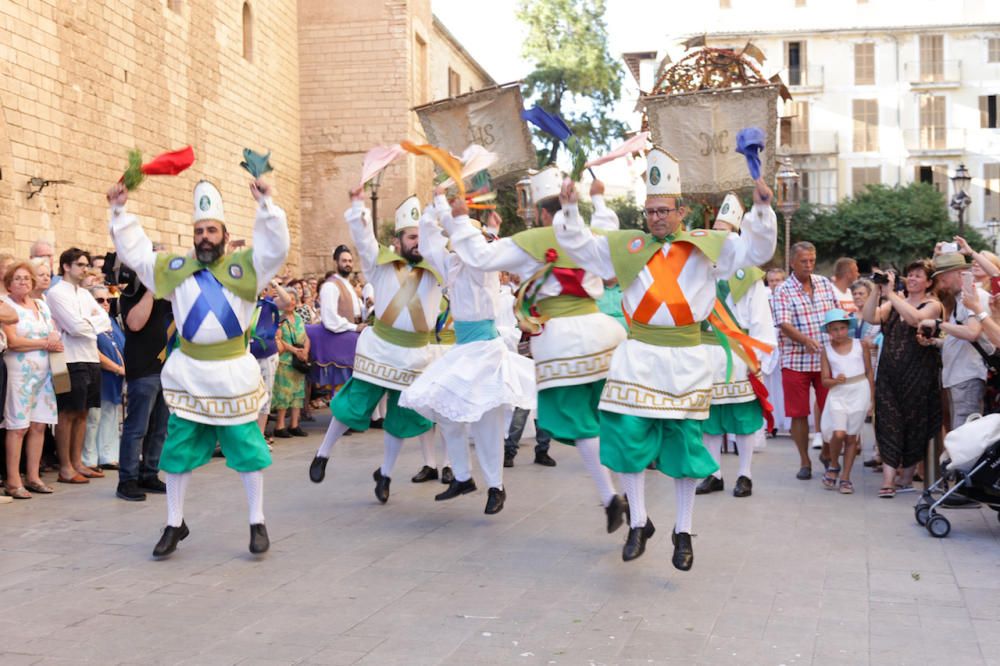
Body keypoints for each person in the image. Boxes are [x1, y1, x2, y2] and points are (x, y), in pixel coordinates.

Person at [554, 147, 777, 569]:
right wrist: (569, 209)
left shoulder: (709, 245)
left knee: (684, 447)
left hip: (687, 360)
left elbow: (754, 252)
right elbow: (580, 248)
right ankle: (639, 522)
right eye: (651, 210)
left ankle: (684, 530)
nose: (657, 217)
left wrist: (762, 210)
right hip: (637, 356)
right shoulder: (626, 246)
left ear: (681, 211)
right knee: (627, 438)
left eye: (665, 210)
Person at [107, 175, 289, 557]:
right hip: (190, 374)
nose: (205, 236)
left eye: (212, 229)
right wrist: (120, 211)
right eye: (199, 230)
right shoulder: (175, 269)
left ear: (225, 233)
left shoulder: (249, 267)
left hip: (232, 373)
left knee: (246, 448)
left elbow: (275, 249)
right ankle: (175, 522)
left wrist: (266, 207)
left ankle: (257, 520)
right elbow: (139, 254)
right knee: (177, 448)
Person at [444, 166, 629, 533]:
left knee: (579, 424)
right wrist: (598, 199)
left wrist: (462, 222)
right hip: (606, 336)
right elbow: (612, 243)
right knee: (609, 419)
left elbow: (481, 258)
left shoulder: (529, 241)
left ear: (543, 212)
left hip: (563, 343)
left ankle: (611, 497)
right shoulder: (588, 234)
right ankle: (635, 508)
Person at [400, 195, 536, 514]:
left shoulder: (481, 265)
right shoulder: (452, 265)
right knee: (445, 409)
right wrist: (435, 206)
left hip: (486, 349)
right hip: (462, 349)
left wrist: (456, 218)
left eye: (462, 239)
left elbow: (475, 249)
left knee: (486, 421)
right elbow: (431, 242)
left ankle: (495, 486)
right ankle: (462, 476)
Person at [309, 192, 442, 505]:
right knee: (354, 404)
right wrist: (357, 206)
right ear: (398, 240)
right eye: (412, 236)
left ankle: (385, 474)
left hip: (415, 356)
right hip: (381, 350)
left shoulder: (439, 271)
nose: (418, 242)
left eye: (422, 236)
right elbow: (365, 241)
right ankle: (322, 454)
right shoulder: (381, 266)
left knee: (400, 417)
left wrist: (441, 209)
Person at [696, 193, 776, 499]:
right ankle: (713, 473)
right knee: (710, 418)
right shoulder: (701, 269)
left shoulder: (750, 276)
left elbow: (759, 318)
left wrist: (759, 357)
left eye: (727, 232)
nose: (722, 239)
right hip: (705, 352)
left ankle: (745, 474)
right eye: (718, 233)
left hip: (738, 353)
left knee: (742, 418)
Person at [862, 260, 942, 497]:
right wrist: (877, 290)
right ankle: (888, 480)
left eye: (918, 276)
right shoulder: (894, 303)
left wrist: (891, 295)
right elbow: (870, 317)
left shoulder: (933, 305)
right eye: (911, 275)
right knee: (888, 423)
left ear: (928, 282)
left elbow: (915, 319)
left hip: (918, 374)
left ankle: (905, 478)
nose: (913, 279)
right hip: (889, 373)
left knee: (914, 425)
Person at [772, 241, 839, 480]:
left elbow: (836, 314)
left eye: (812, 260)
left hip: (825, 358)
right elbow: (783, 323)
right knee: (798, 413)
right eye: (804, 261)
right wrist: (805, 341)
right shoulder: (783, 290)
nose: (809, 265)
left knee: (831, 408)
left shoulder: (824, 284)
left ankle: (829, 454)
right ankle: (804, 461)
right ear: (792, 263)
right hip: (795, 360)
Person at [46, 247, 112, 483]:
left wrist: (88, 322)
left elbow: (106, 320)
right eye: (81, 265)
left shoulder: (84, 294)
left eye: (86, 265)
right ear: (67, 266)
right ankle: (65, 466)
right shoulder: (56, 294)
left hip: (90, 356)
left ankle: (77, 462)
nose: (86, 269)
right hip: (68, 359)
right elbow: (74, 327)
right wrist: (90, 322)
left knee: (84, 411)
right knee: (67, 412)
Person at [2, 263, 60, 498]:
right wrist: (44, 343)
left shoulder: (42, 305)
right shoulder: (6, 306)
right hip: (19, 372)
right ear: (8, 283)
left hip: (44, 373)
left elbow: (53, 332)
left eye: (27, 278)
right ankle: (13, 480)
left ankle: (34, 476)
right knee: (18, 426)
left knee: (39, 424)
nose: (23, 282)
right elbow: (13, 341)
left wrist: (53, 340)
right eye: (17, 278)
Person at [918, 252, 991, 432]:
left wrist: (938, 324)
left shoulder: (974, 296)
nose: (941, 280)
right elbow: (959, 339)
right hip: (959, 376)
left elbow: (972, 333)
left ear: (960, 273)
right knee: (960, 431)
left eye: (944, 274)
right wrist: (935, 342)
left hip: (968, 375)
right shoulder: (960, 298)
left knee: (965, 435)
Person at [115, 271, 172, 502]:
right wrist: (150, 290)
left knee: (160, 427)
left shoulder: (169, 296)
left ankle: (149, 473)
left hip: (167, 369)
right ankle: (127, 479)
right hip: (143, 368)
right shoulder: (132, 292)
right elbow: (135, 324)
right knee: (137, 427)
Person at [819, 309, 873, 495]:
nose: (839, 333)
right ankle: (834, 464)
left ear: (848, 328)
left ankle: (846, 477)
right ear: (828, 331)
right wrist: (836, 381)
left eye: (842, 328)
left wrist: (872, 399)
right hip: (838, 393)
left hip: (860, 390)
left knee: (852, 437)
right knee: (839, 433)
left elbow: (869, 372)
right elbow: (824, 380)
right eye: (834, 329)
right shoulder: (825, 350)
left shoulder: (861, 345)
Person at [82, 285, 124, 471]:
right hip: (99, 375)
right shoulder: (88, 321)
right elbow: (94, 351)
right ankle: (88, 459)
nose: (105, 303)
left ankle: (108, 456)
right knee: (93, 418)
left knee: (111, 415)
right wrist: (117, 368)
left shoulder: (111, 321)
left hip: (115, 378)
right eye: (100, 300)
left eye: (108, 300)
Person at [273, 291, 310, 438]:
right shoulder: (279, 318)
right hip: (286, 359)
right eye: (288, 300)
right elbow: (278, 339)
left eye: (294, 300)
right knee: (284, 393)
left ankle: (294, 424)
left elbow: (306, 336)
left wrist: (305, 351)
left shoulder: (298, 317)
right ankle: (280, 425)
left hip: (300, 359)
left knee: (298, 393)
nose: (291, 303)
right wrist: (295, 350)